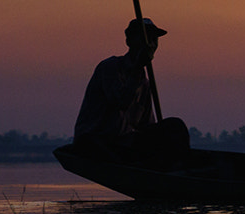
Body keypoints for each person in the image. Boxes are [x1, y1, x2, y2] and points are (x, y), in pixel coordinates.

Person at [73, 17, 191, 165]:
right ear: (129, 41)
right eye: (146, 38)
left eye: (154, 39)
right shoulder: (110, 68)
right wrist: (137, 67)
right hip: (98, 140)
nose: (151, 44)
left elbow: (145, 126)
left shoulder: (144, 83)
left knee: (175, 127)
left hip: (124, 143)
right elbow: (120, 102)